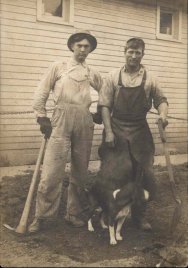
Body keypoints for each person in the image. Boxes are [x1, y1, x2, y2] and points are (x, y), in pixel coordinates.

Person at [28, 30, 102, 233]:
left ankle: (74, 213)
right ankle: (42, 217)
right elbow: (42, 91)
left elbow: (106, 92)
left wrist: (99, 112)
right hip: (60, 118)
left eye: (87, 47)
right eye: (79, 45)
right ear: (72, 47)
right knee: (52, 171)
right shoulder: (58, 67)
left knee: (80, 171)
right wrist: (41, 116)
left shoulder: (91, 72)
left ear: (90, 50)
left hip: (84, 121)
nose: (83, 49)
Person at [98, 37, 168, 231]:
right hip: (116, 128)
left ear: (143, 54)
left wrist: (163, 115)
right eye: (131, 51)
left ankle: (139, 215)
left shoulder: (150, 79)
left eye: (138, 52)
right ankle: (106, 212)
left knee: (144, 173)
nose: (134, 56)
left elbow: (161, 99)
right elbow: (104, 105)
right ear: (124, 51)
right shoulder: (112, 76)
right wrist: (109, 132)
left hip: (140, 131)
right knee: (111, 172)